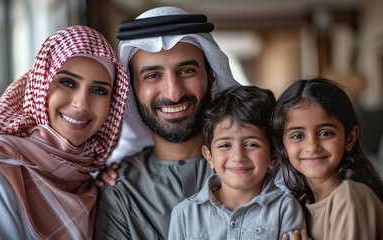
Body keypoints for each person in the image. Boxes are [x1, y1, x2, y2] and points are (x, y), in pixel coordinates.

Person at [0, 25, 129, 239]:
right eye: (67, 82)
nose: (81, 104)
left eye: (99, 90)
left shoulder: (89, 180)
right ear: (41, 87)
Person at [95, 6, 240, 240]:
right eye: (152, 75)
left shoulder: (254, 165)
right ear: (132, 88)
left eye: (186, 70)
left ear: (211, 76)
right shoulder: (120, 189)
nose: (173, 93)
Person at [168, 85, 306, 239]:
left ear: (273, 155)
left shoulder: (285, 208)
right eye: (225, 145)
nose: (238, 156)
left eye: (251, 144)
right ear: (209, 156)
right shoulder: (185, 214)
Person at [272, 77, 383, 240]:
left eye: (325, 133)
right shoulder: (297, 204)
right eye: (298, 136)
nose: (312, 146)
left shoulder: (349, 198)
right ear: (282, 146)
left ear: (350, 139)